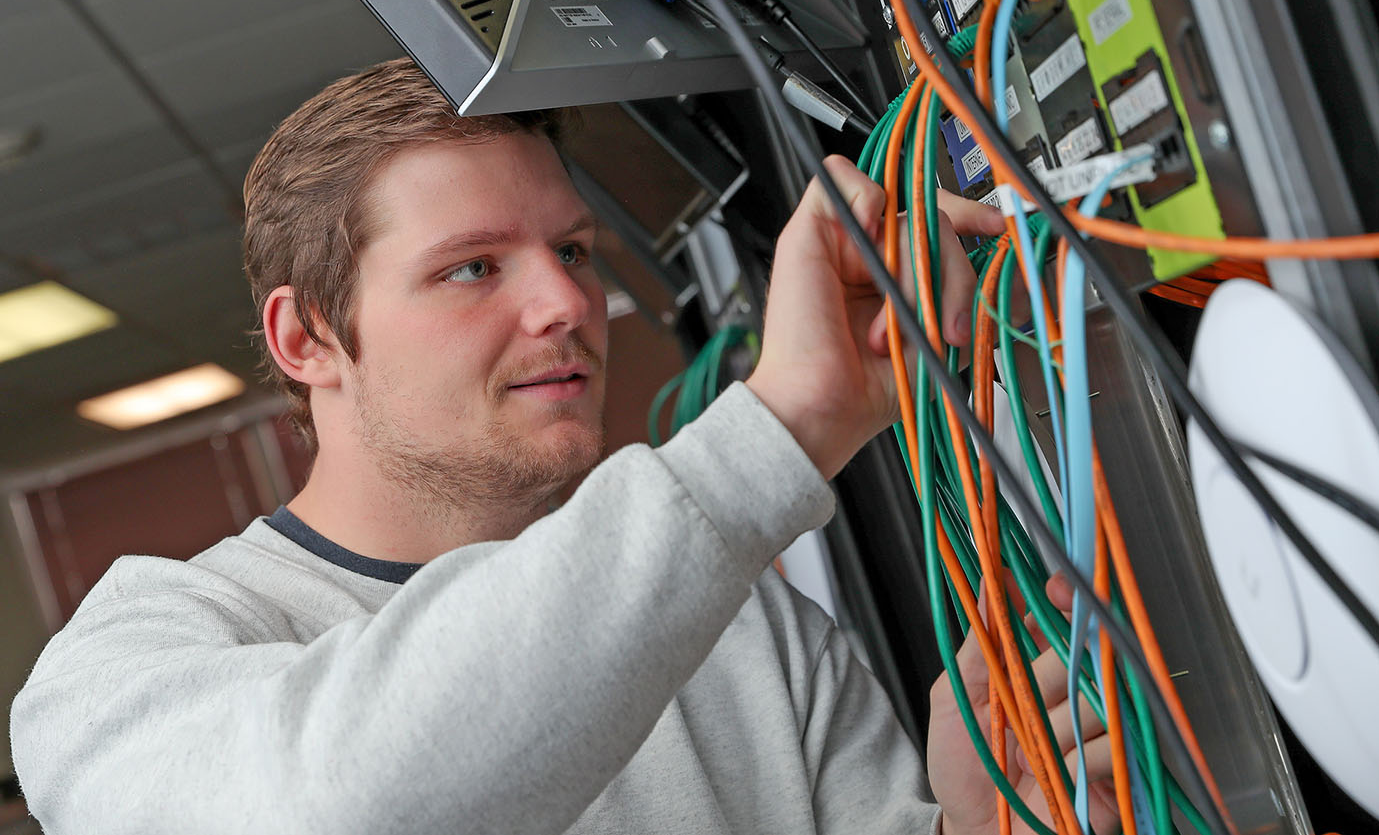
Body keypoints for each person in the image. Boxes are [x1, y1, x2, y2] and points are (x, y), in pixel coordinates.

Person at [9, 58, 1117, 834]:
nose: (567, 303)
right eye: (472, 267)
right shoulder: (130, 662)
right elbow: (338, 802)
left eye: (574, 250)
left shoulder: (737, 618)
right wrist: (779, 427)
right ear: (308, 338)